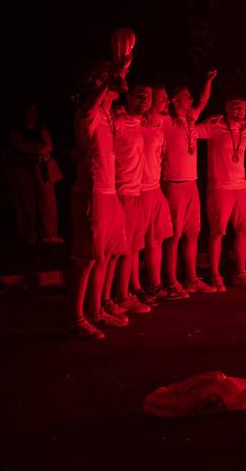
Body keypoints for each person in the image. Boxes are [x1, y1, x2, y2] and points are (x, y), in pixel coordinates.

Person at [69, 61, 129, 338]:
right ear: (96, 86)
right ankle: (77, 318)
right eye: (105, 81)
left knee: (106, 254)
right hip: (92, 192)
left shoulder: (107, 115)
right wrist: (107, 82)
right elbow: (87, 118)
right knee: (86, 258)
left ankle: (95, 309)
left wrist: (122, 68)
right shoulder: (88, 112)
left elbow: (121, 85)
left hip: (109, 191)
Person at [160, 70, 217, 294]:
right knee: (172, 236)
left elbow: (203, 100)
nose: (191, 99)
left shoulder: (191, 119)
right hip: (173, 184)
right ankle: (171, 280)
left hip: (191, 184)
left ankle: (191, 278)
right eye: (186, 96)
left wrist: (208, 81)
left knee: (192, 233)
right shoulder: (166, 122)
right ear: (175, 101)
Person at [201, 97, 246, 291]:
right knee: (217, 233)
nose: (239, 109)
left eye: (242, 107)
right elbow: (190, 132)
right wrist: (205, 122)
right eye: (235, 106)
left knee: (244, 230)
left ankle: (241, 273)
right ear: (225, 108)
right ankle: (215, 274)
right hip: (220, 188)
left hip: (241, 187)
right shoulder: (215, 128)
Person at [111, 84, 153, 314]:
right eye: (139, 96)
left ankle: (122, 293)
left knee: (132, 247)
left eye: (148, 97)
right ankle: (116, 296)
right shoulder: (117, 123)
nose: (145, 100)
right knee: (119, 249)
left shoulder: (139, 123)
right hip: (120, 193)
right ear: (126, 98)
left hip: (136, 192)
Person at [139, 86, 176, 299]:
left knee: (157, 238)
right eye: (163, 98)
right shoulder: (138, 123)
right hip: (140, 189)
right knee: (137, 243)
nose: (167, 102)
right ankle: (134, 288)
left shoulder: (160, 124)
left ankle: (155, 284)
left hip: (155, 187)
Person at [10, 104, 62, 246]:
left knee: (48, 201)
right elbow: (20, 146)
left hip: (42, 167)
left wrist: (30, 149)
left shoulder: (42, 130)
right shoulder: (17, 130)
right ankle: (29, 235)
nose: (32, 113)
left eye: (34, 110)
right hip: (24, 167)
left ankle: (49, 234)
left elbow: (49, 146)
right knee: (27, 202)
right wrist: (38, 148)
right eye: (29, 110)